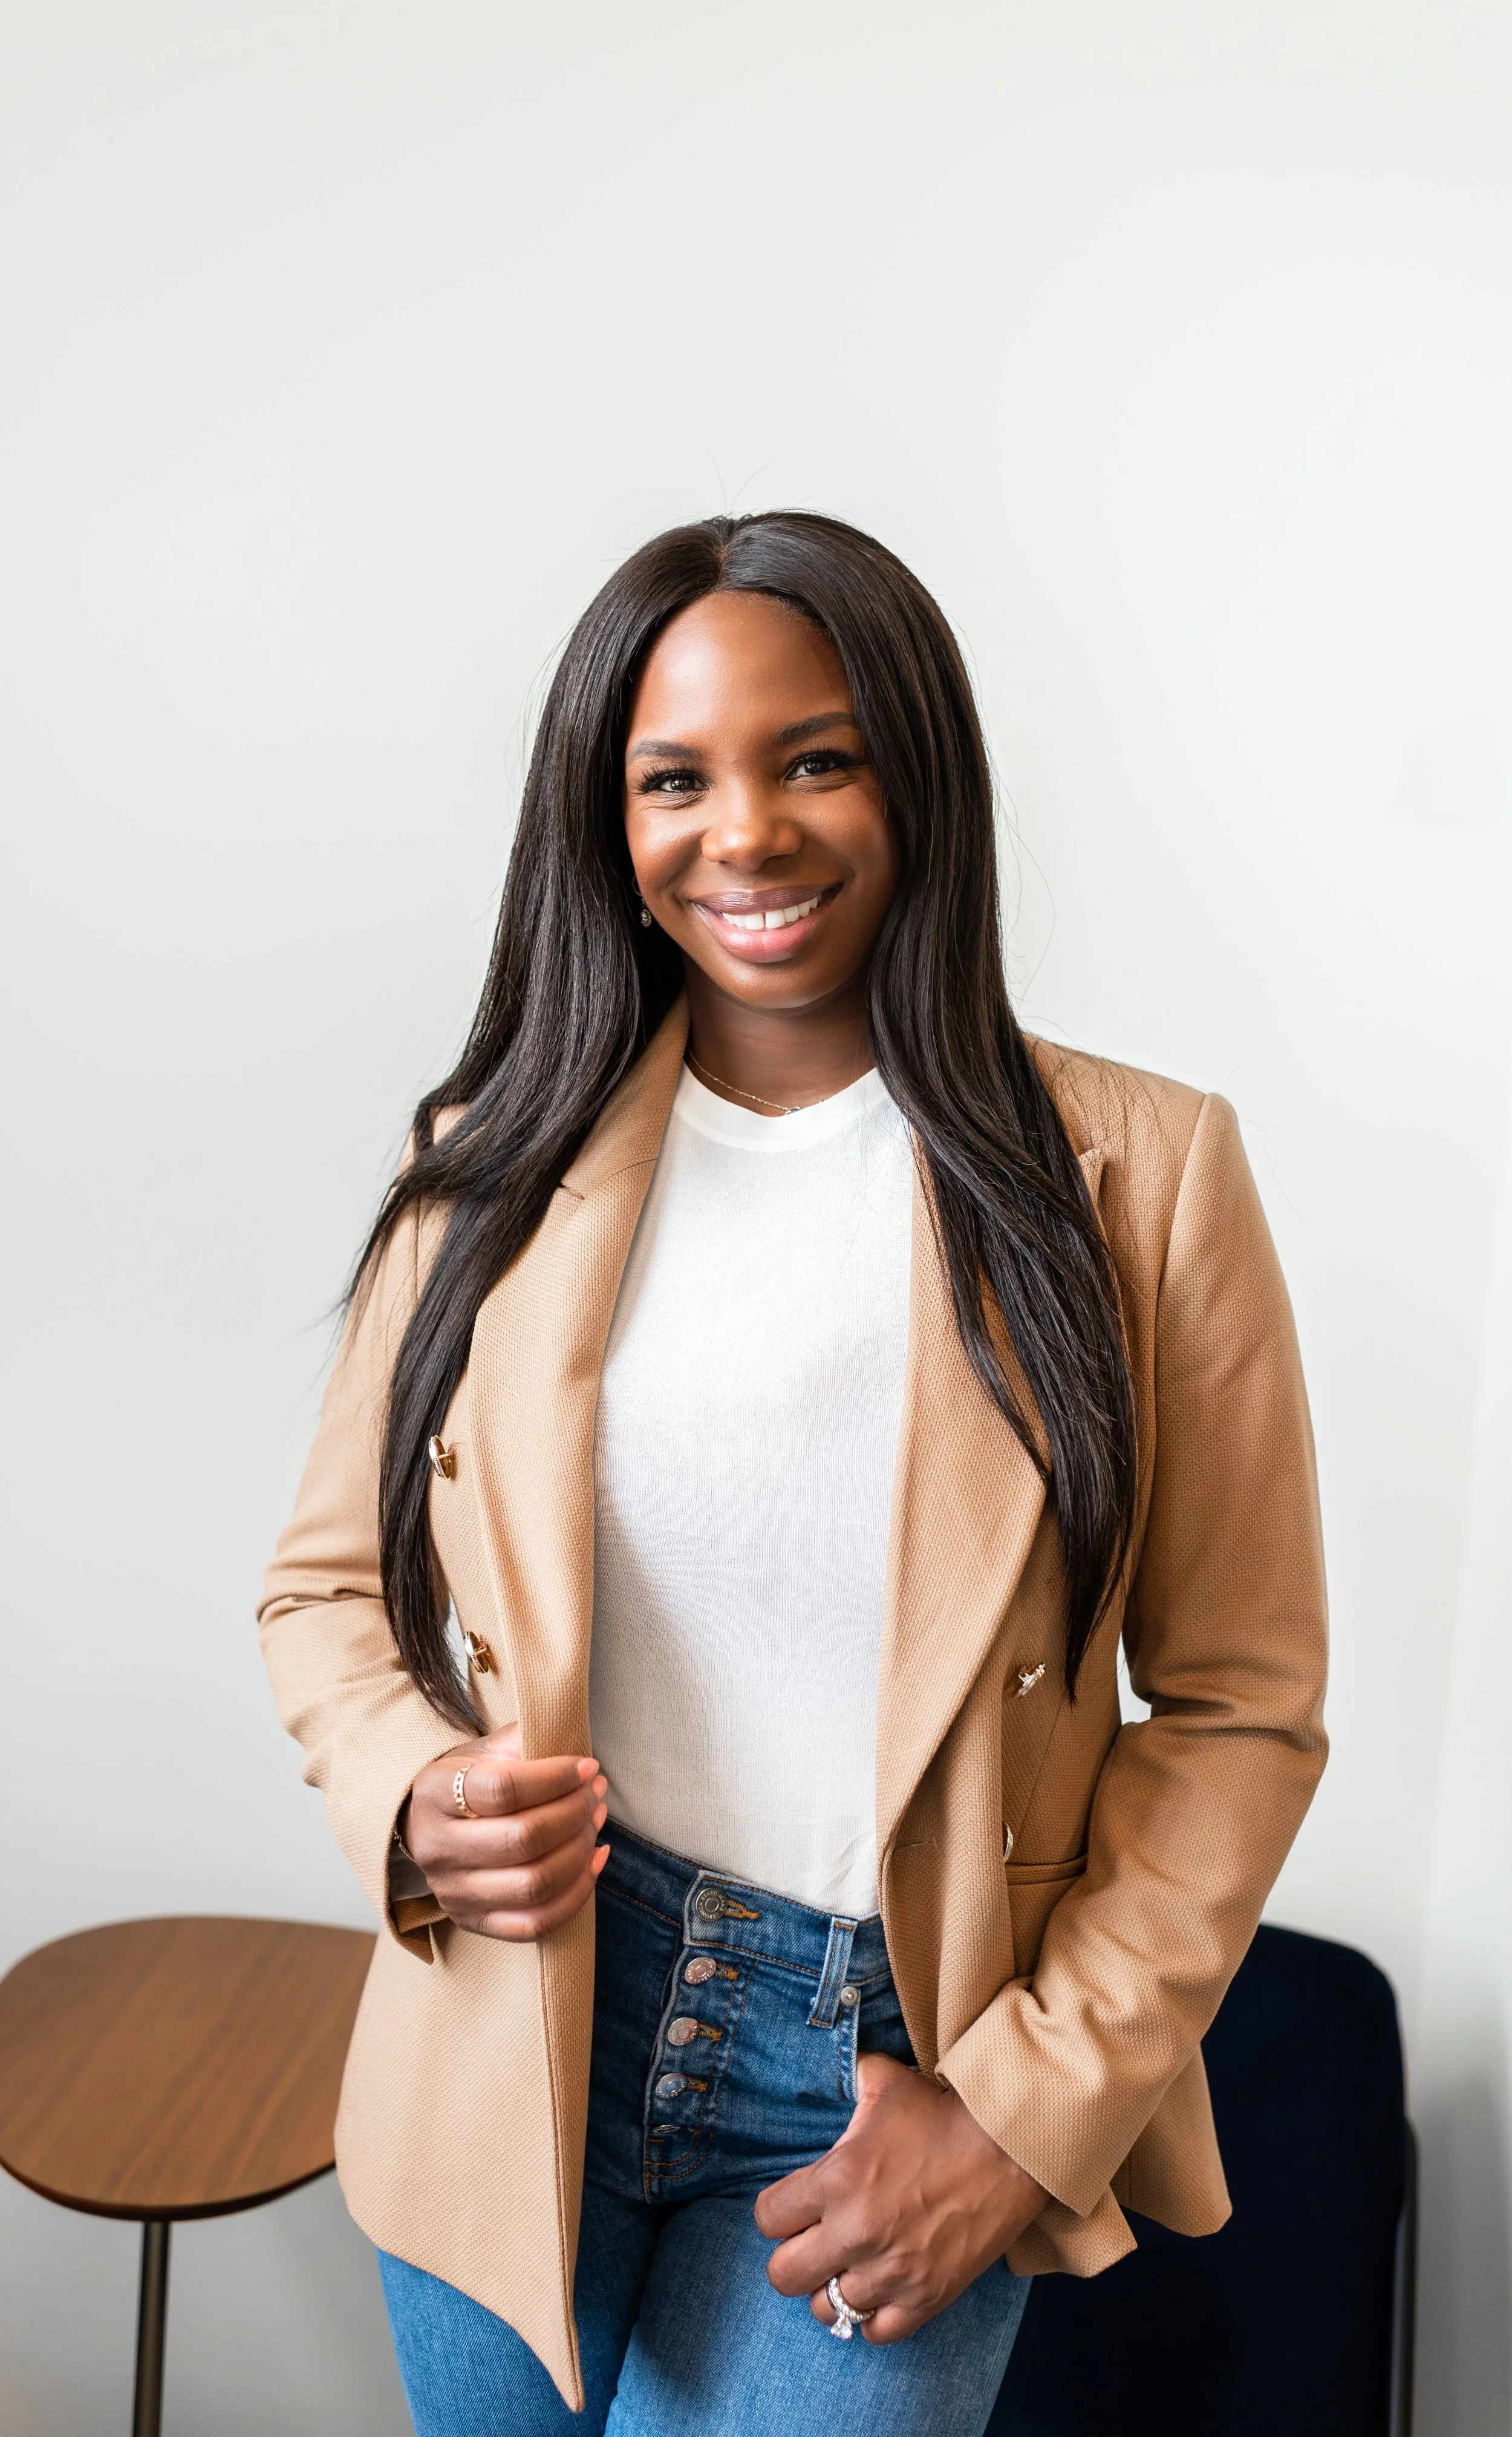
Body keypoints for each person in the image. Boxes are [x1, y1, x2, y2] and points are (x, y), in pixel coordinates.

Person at [259, 511, 1328, 2437]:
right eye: (673, 778)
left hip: (892, 2065)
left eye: (813, 758)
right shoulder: (489, 1158)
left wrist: (1020, 2109)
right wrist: (411, 1792)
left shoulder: (1143, 1176)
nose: (742, 833)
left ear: (916, 773)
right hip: (517, 2022)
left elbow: (1240, 1702)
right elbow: (329, 1587)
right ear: (607, 817)